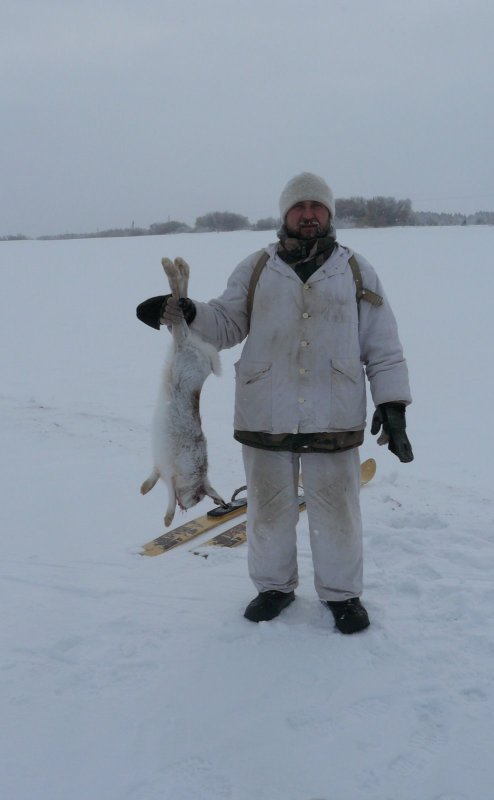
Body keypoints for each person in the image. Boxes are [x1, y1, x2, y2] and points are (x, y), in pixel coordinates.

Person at [136, 172, 413, 634]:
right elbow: (224, 324)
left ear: (329, 214)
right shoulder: (256, 268)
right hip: (266, 408)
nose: (309, 215)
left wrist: (394, 404)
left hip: (334, 409)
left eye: (317, 207)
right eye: (299, 208)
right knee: (267, 507)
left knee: (337, 507)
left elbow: (383, 344)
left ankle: (342, 595)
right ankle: (274, 588)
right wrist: (188, 313)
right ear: (285, 215)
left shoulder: (358, 270)